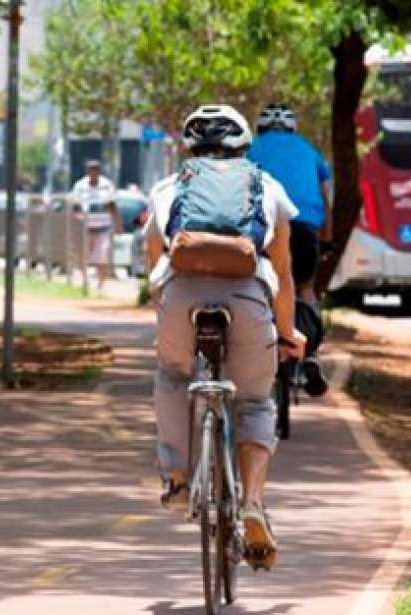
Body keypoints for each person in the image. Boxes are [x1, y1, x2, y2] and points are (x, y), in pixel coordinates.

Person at [143, 104, 305, 569]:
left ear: (190, 146)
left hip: (180, 296)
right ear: (243, 145)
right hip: (249, 298)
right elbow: (284, 273)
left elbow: (155, 265)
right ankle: (252, 503)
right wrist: (289, 331)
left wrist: (166, 317)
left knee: (173, 376)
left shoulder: (168, 189)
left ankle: (176, 476)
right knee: (255, 401)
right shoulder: (267, 187)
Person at [248, 103, 332, 397]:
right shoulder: (310, 151)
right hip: (306, 227)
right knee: (305, 287)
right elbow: (325, 195)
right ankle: (309, 354)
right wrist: (327, 238)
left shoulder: (250, 149)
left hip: (265, 227)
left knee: (258, 284)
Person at [71, 160, 118, 289]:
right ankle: (84, 280)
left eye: (96, 169)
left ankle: (100, 284)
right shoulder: (80, 186)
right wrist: (78, 220)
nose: (94, 172)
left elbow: (112, 206)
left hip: (103, 227)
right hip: (85, 227)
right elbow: (74, 207)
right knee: (82, 255)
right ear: (87, 171)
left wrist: (118, 224)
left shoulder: (106, 185)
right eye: (91, 169)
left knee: (102, 256)